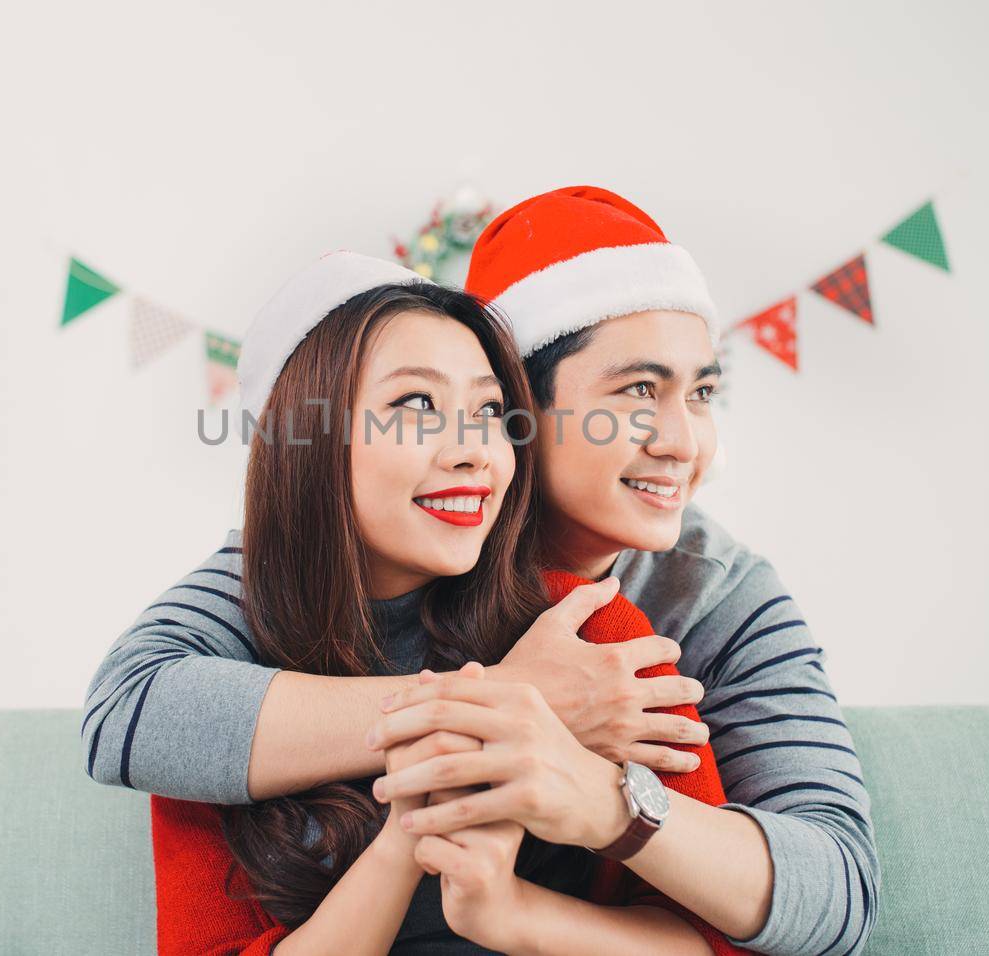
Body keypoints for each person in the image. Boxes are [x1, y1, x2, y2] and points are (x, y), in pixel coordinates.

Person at [86, 188, 880, 954]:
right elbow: (133, 708)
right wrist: (498, 704)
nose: (686, 443)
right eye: (638, 390)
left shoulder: (690, 603)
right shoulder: (309, 582)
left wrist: (597, 810)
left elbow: (831, 894)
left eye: (701, 391)